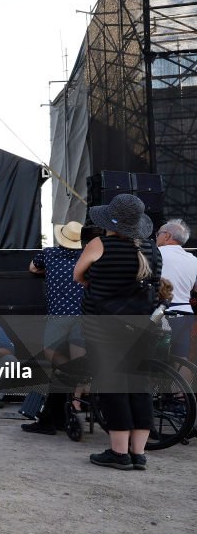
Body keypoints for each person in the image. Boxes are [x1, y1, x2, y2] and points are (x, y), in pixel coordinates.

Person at [75, 194, 162, 471]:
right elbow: (155, 283)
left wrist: (100, 283)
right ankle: (139, 454)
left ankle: (119, 452)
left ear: (110, 222)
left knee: (114, 387)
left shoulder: (98, 244)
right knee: (139, 387)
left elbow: (79, 276)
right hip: (143, 327)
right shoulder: (151, 248)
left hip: (105, 327)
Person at [23, 221, 86, 434]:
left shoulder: (48, 254)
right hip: (83, 314)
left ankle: (63, 378)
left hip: (59, 314)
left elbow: (32, 267)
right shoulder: (86, 255)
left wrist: (48, 272)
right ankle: (75, 402)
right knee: (80, 361)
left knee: (52, 354)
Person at [156, 219, 197, 361]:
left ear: (166, 235)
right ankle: (182, 384)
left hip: (163, 314)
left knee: (149, 359)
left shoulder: (155, 253)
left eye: (158, 234)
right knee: (181, 359)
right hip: (186, 313)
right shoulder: (193, 259)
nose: (156, 237)